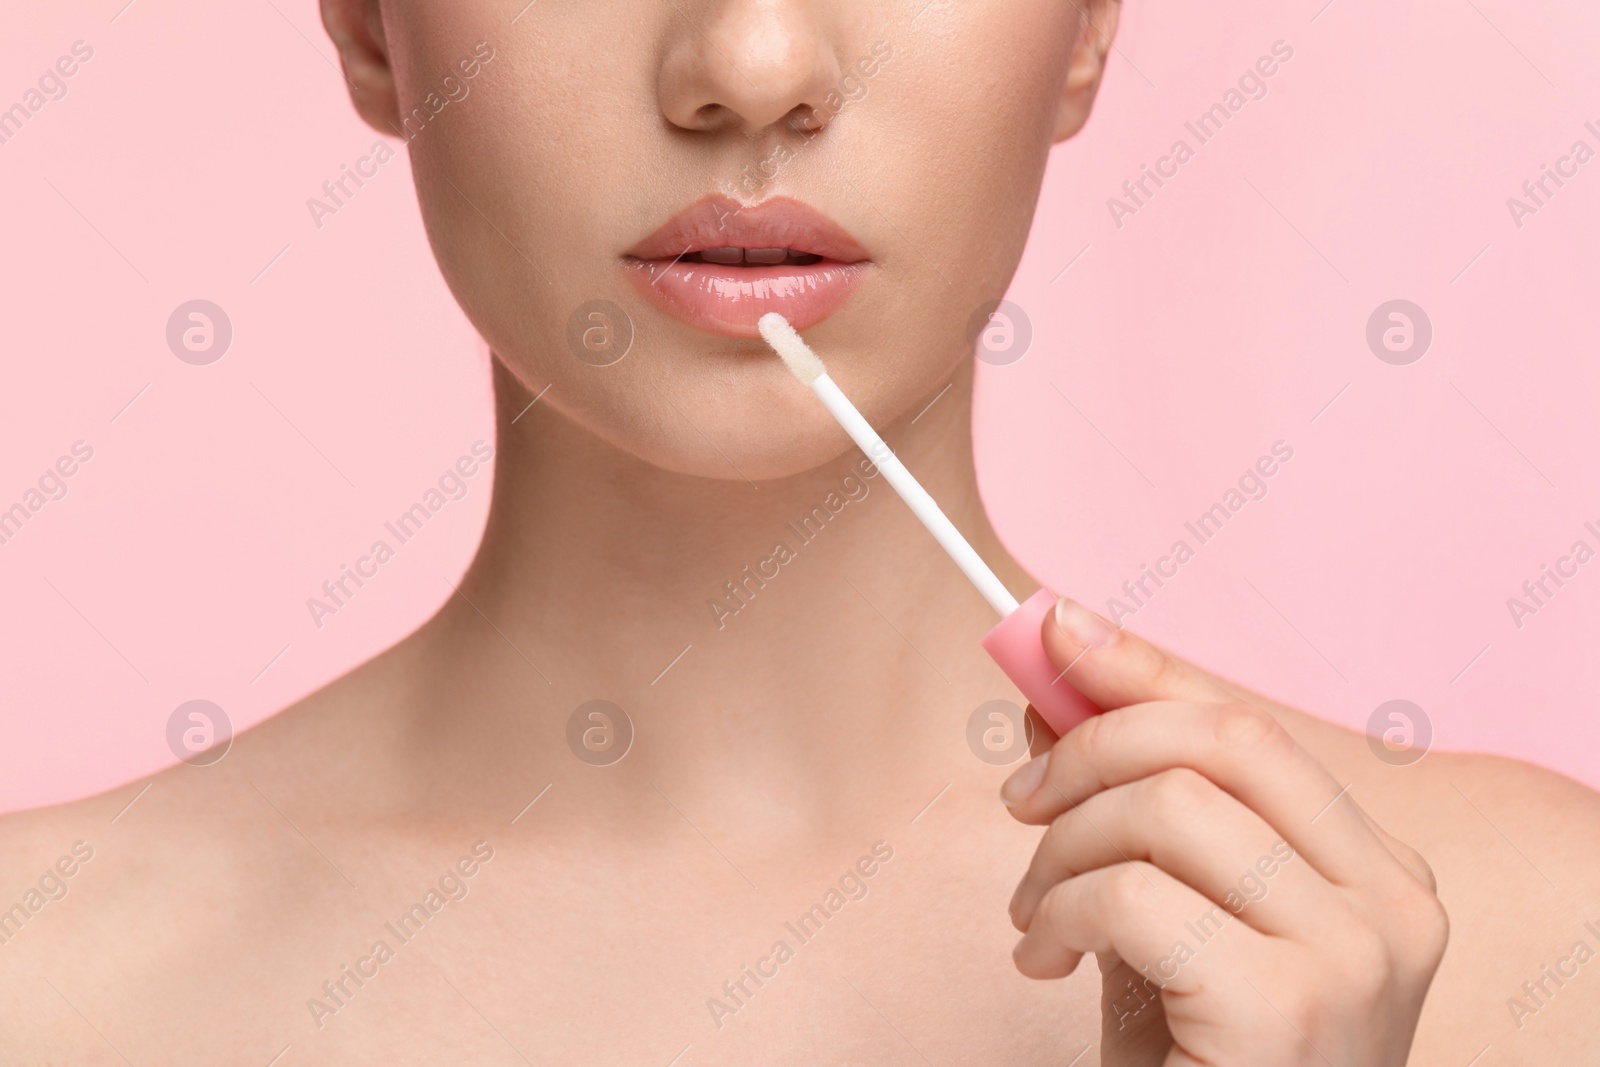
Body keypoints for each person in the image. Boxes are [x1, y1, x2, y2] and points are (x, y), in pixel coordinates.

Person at [4, 1, 1598, 1062]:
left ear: (1087, 26)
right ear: (366, 23)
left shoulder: (1534, 955)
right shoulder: (45, 988)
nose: (753, 65)